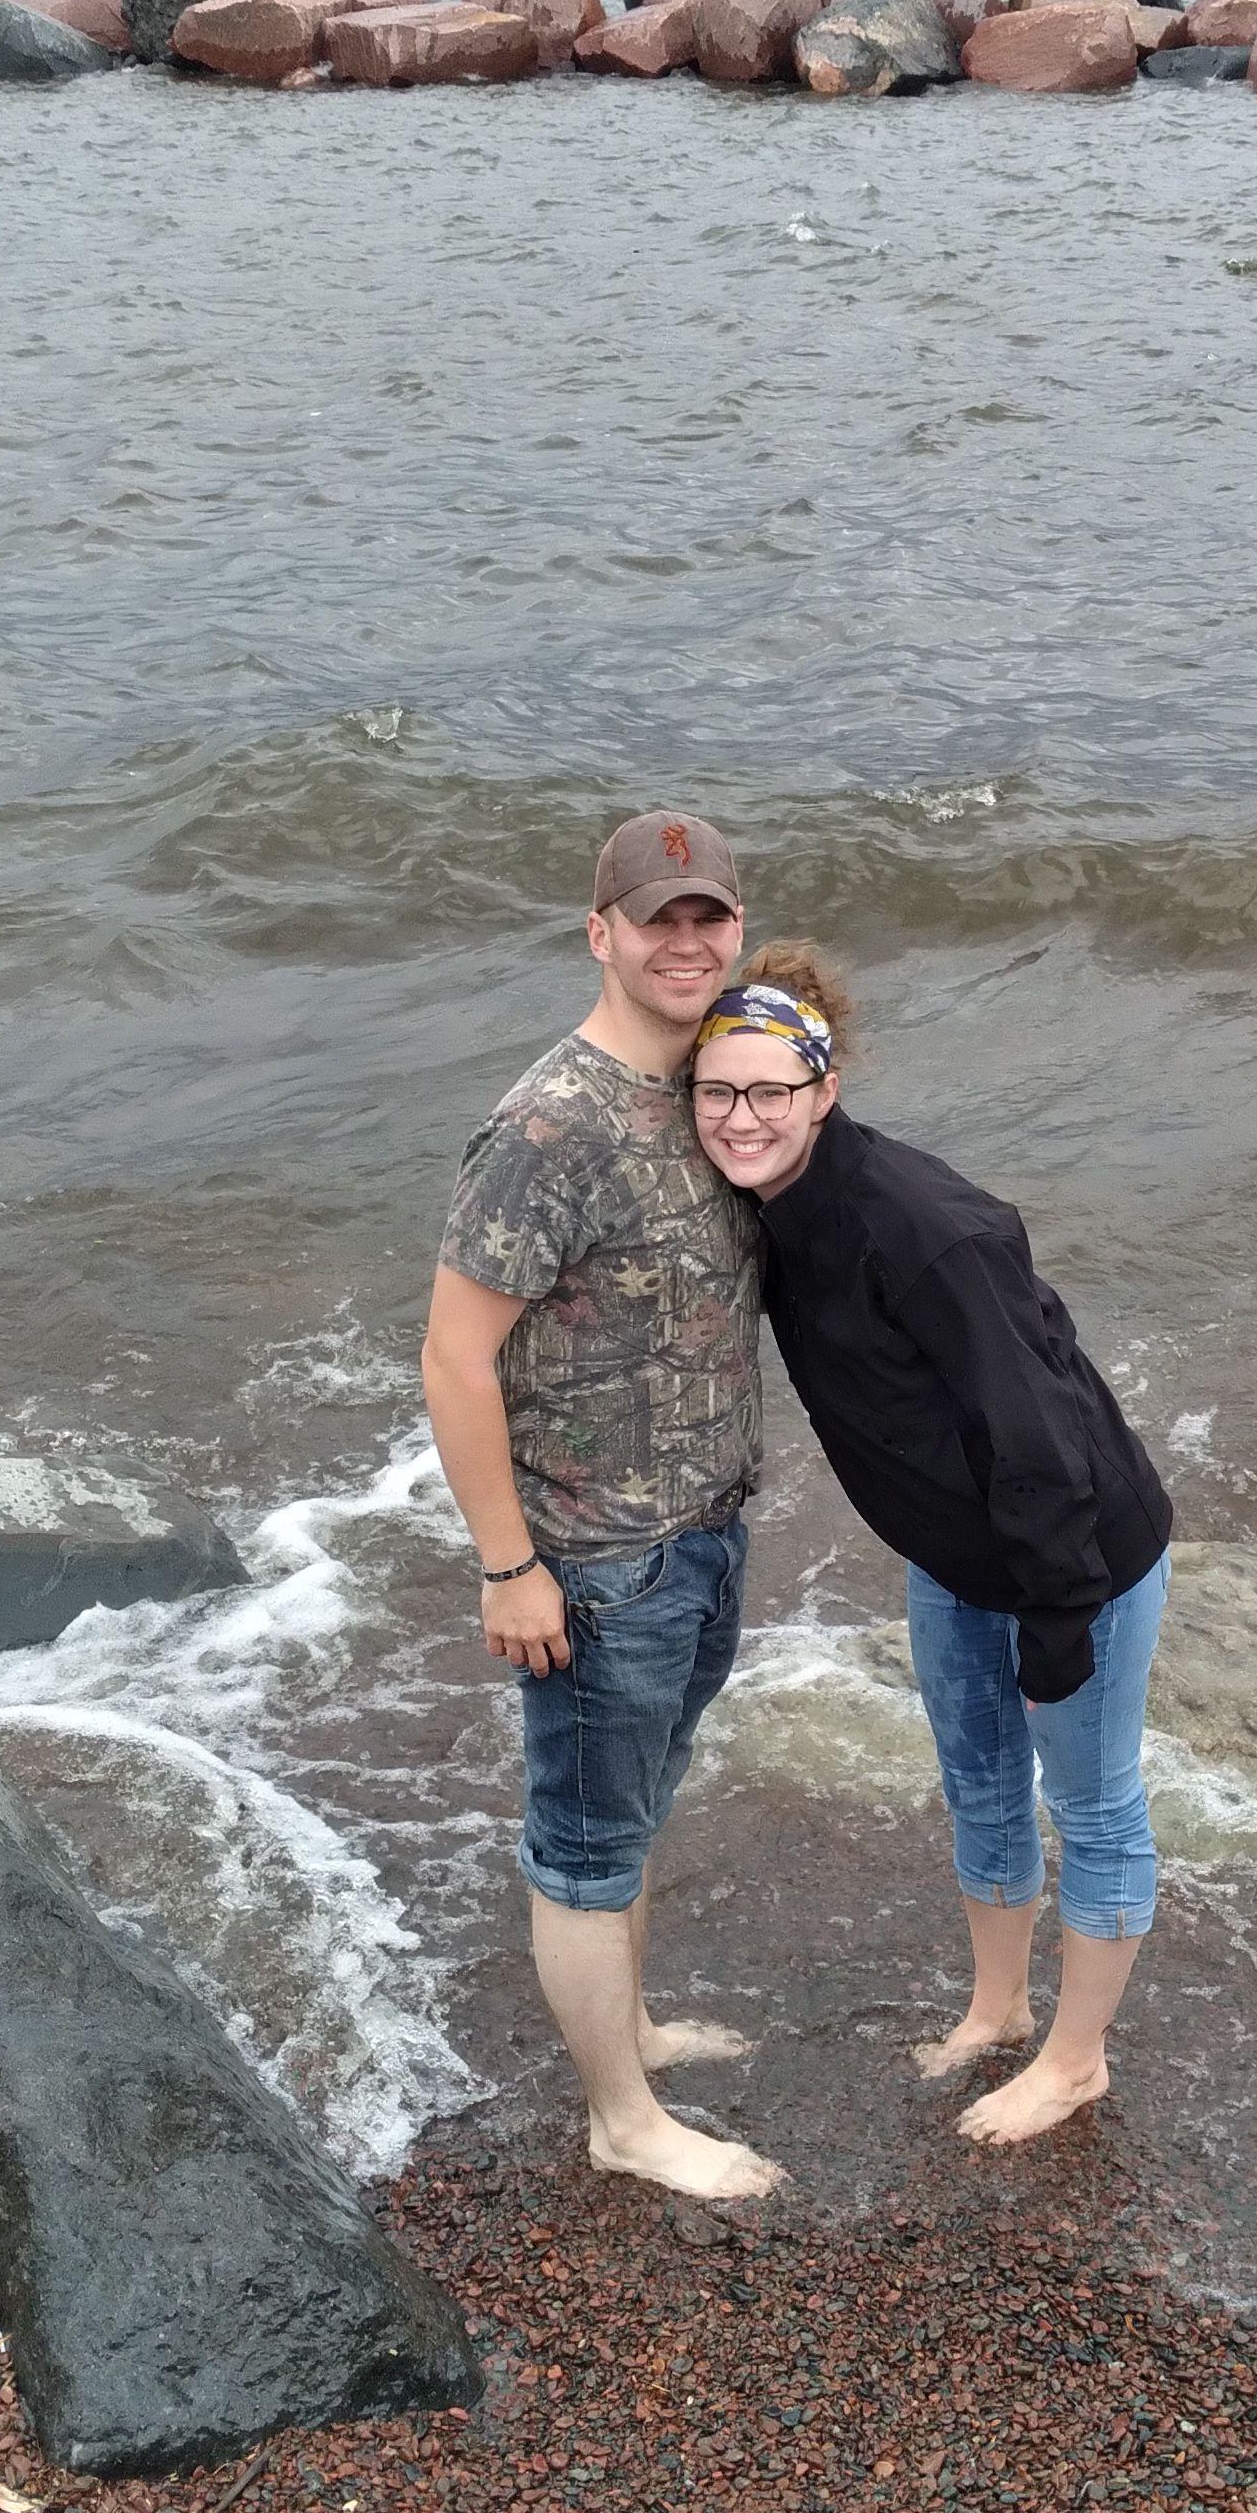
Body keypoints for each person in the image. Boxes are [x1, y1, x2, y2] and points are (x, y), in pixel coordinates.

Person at [684, 949, 1176, 2151]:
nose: (742, 1117)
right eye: (716, 1093)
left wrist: (1059, 1613)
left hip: (1077, 1556)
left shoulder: (922, 1230)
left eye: (769, 1090)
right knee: (979, 1784)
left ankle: (1074, 2059)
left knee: (1094, 1804)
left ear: (824, 1086)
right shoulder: (770, 1207)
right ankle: (999, 2010)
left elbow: (1041, 1429)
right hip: (957, 1558)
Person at [421, 809, 785, 2202]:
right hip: (594, 1560)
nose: (685, 943)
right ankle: (621, 2119)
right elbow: (454, 1359)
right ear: (602, 935)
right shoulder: (548, 1126)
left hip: (701, 1528)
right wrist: (509, 1568)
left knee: (637, 1807)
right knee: (583, 1845)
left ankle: (628, 2028)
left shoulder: (713, 1086)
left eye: (709, 920)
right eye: (657, 921)